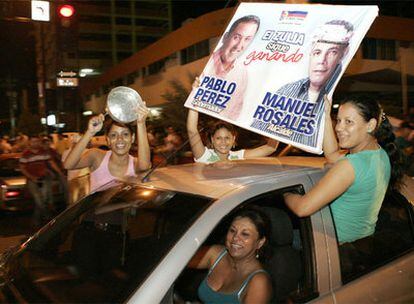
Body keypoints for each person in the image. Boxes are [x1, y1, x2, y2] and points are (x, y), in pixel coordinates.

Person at [284, 96, 404, 244]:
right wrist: (326, 117)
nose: (339, 127)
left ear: (370, 125)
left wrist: (284, 192)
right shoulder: (380, 154)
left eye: (349, 122)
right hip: (360, 245)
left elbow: (303, 208)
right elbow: (332, 155)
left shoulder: (350, 165)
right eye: (339, 120)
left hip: (332, 246)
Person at [276, 19, 354, 147]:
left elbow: (334, 155)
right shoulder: (285, 91)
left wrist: (327, 117)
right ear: (310, 53)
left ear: (343, 54)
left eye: (332, 52)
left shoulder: (341, 98)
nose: (321, 61)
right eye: (317, 52)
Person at [188, 207, 272, 303]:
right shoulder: (215, 254)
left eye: (245, 234)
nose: (235, 238)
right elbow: (177, 260)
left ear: (260, 242)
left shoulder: (259, 282)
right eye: (232, 230)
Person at [63, 104, 151, 192]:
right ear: (108, 140)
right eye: (113, 135)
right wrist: (90, 132)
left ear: (132, 138)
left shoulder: (135, 163)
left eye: (125, 134)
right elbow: (68, 165)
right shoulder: (97, 156)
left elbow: (144, 166)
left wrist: (141, 123)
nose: (119, 139)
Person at [194, 15, 260, 120]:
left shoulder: (242, 73)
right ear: (225, 37)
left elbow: (234, 114)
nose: (239, 46)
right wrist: (194, 93)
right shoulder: (205, 66)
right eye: (236, 37)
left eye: (247, 39)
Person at [187, 108, 279, 164]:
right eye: (218, 138)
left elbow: (270, 148)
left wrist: (279, 123)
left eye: (227, 138)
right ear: (212, 139)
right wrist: (195, 97)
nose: (223, 142)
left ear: (233, 139)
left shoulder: (237, 156)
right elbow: (192, 130)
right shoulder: (204, 156)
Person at [20, 135, 64, 226]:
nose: (35, 143)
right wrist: (32, 177)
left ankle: (36, 220)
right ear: (29, 143)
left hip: (43, 179)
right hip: (32, 180)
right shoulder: (25, 154)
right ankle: (47, 216)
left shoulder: (43, 152)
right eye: (33, 141)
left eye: (36, 141)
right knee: (38, 200)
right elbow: (22, 168)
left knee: (43, 200)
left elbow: (51, 163)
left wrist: (60, 173)